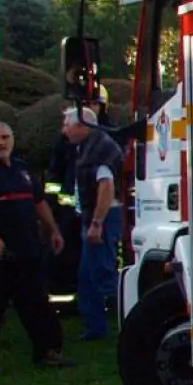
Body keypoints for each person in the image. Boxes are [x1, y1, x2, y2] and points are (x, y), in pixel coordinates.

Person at [0, 121, 71, 375]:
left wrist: (53, 229)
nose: (1, 143)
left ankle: (48, 353)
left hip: (28, 249)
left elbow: (38, 201)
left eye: (5, 137)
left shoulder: (22, 170)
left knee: (37, 303)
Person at [61, 105, 125, 341]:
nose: (63, 130)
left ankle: (126, 325)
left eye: (66, 125)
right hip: (96, 217)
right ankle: (97, 328)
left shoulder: (100, 149)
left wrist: (97, 223)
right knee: (91, 275)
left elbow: (106, 186)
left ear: (82, 126)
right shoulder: (90, 147)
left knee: (99, 274)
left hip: (102, 219)